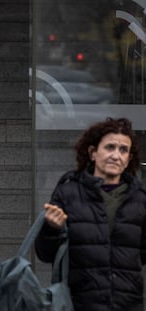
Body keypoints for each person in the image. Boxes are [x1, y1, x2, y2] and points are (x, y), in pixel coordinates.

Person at [35, 117, 146, 311]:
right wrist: (51, 229)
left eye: (123, 150)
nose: (116, 155)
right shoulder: (68, 193)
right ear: (93, 152)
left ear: (129, 159)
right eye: (109, 147)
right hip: (81, 303)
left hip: (128, 304)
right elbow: (44, 254)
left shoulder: (140, 198)